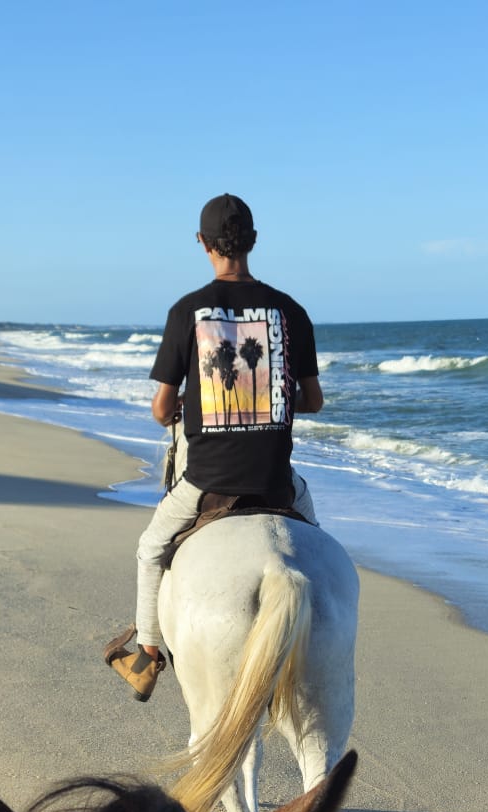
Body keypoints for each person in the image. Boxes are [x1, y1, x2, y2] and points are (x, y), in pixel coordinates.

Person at [113, 194, 323, 694]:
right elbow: (312, 400)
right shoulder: (290, 310)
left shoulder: (186, 311)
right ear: (252, 241)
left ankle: (145, 656)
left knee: (149, 548)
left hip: (206, 481)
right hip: (276, 481)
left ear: (202, 244)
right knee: (315, 542)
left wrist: (193, 400)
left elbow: (162, 411)